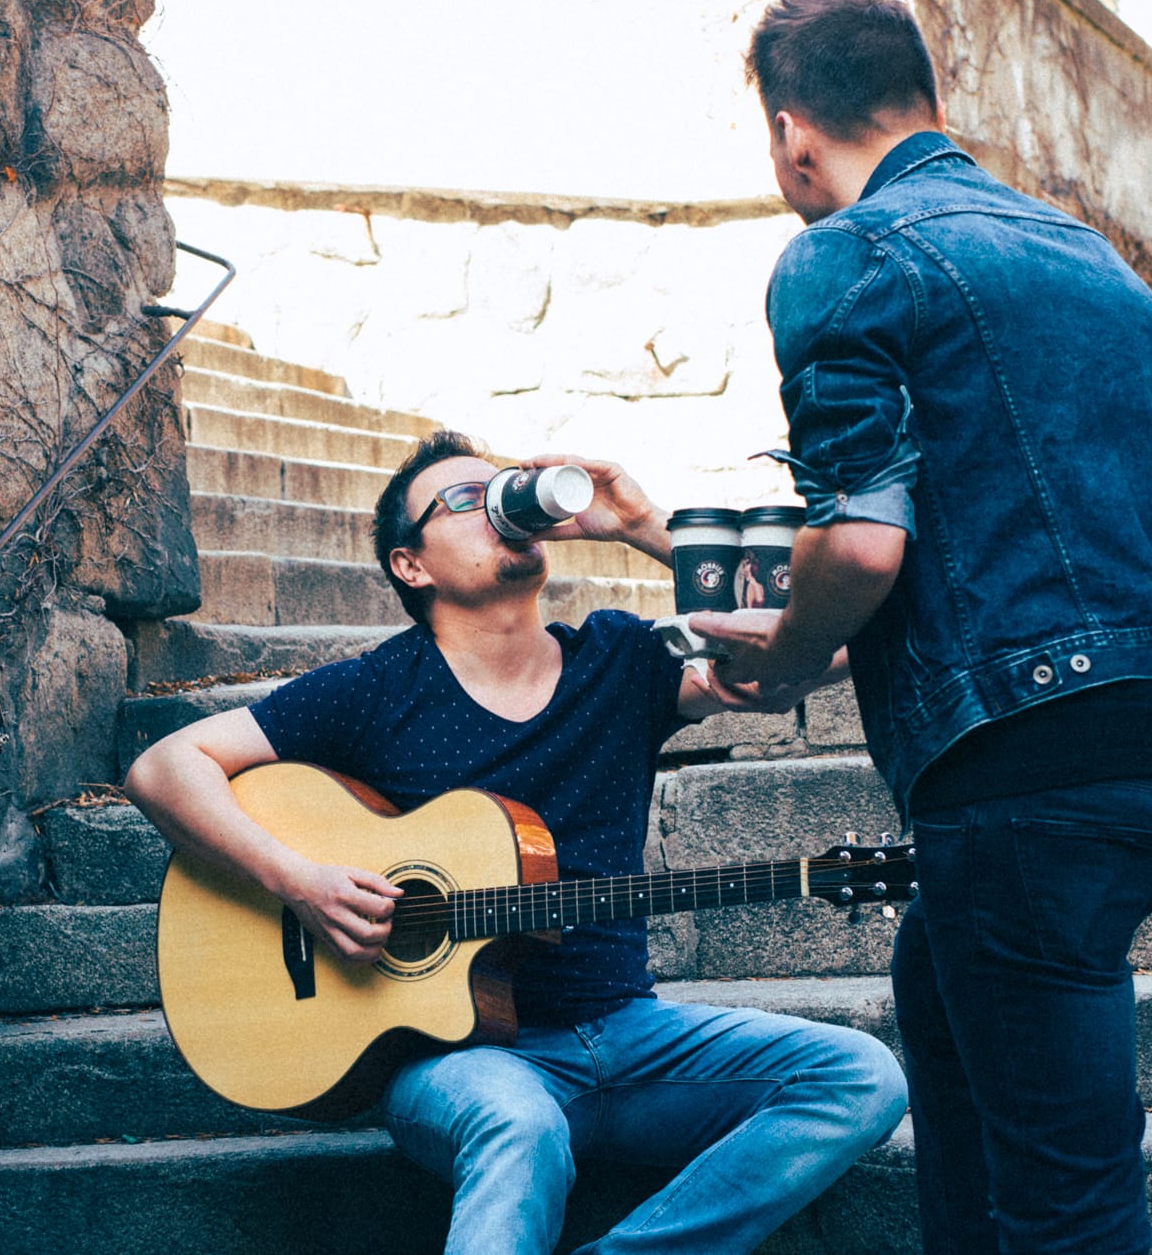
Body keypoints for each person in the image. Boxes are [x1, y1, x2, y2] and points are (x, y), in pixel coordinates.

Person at [697, 0, 1152, 1254]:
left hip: (1033, 768)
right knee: (942, 996)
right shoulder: (1086, 254)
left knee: (1066, 1204)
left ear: (789, 131)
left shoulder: (845, 255)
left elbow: (859, 537)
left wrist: (787, 657)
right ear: (922, 95)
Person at [126, 431, 907, 1254]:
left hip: (629, 1035)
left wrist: (644, 525)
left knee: (862, 1076)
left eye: (504, 487)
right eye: (466, 500)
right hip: (461, 1063)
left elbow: (823, 643)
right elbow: (163, 766)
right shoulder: (375, 690)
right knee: (520, 1123)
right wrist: (298, 880)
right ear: (410, 565)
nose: (502, 506)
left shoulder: (620, 657)